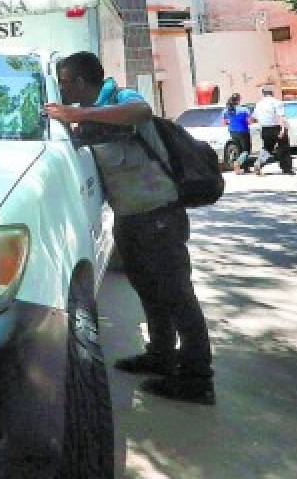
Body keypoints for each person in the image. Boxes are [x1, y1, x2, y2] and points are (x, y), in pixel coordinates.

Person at [44, 51, 215, 405]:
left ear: (78, 82)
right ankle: (161, 356)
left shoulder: (122, 99)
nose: (60, 90)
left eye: (63, 82)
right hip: (130, 219)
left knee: (178, 296)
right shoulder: (87, 122)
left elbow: (142, 113)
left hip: (159, 217)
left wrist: (79, 114)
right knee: (149, 291)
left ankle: (198, 380)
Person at [252, 88, 293, 175]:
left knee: (267, 148)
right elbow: (280, 116)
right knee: (284, 148)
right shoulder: (276, 102)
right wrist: (282, 129)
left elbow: (254, 118)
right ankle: (287, 168)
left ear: (263, 94)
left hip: (265, 128)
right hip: (276, 127)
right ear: (272, 93)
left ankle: (258, 162)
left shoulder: (259, 104)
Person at [221, 93, 255, 175]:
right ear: (239, 100)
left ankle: (245, 168)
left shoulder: (226, 110)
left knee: (239, 150)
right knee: (246, 150)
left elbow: (223, 123)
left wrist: (231, 122)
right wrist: (253, 120)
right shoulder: (244, 110)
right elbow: (250, 121)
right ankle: (238, 163)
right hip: (243, 131)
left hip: (232, 132)